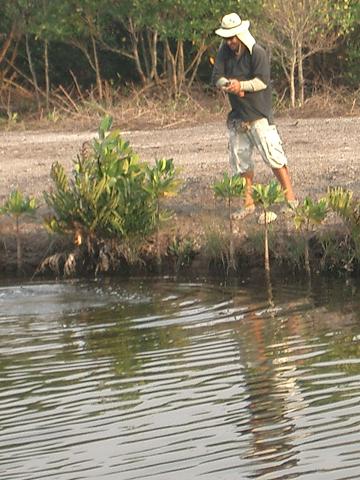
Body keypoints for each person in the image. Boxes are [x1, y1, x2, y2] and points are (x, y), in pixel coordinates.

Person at [212, 12, 297, 221]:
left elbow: (262, 82)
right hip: (238, 115)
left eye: (233, 37)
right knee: (241, 162)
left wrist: (242, 86)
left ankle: (291, 199)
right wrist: (228, 85)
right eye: (227, 38)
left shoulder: (257, 52)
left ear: (240, 34)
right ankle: (248, 203)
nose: (230, 41)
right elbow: (216, 77)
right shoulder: (224, 51)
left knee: (274, 157)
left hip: (259, 113)